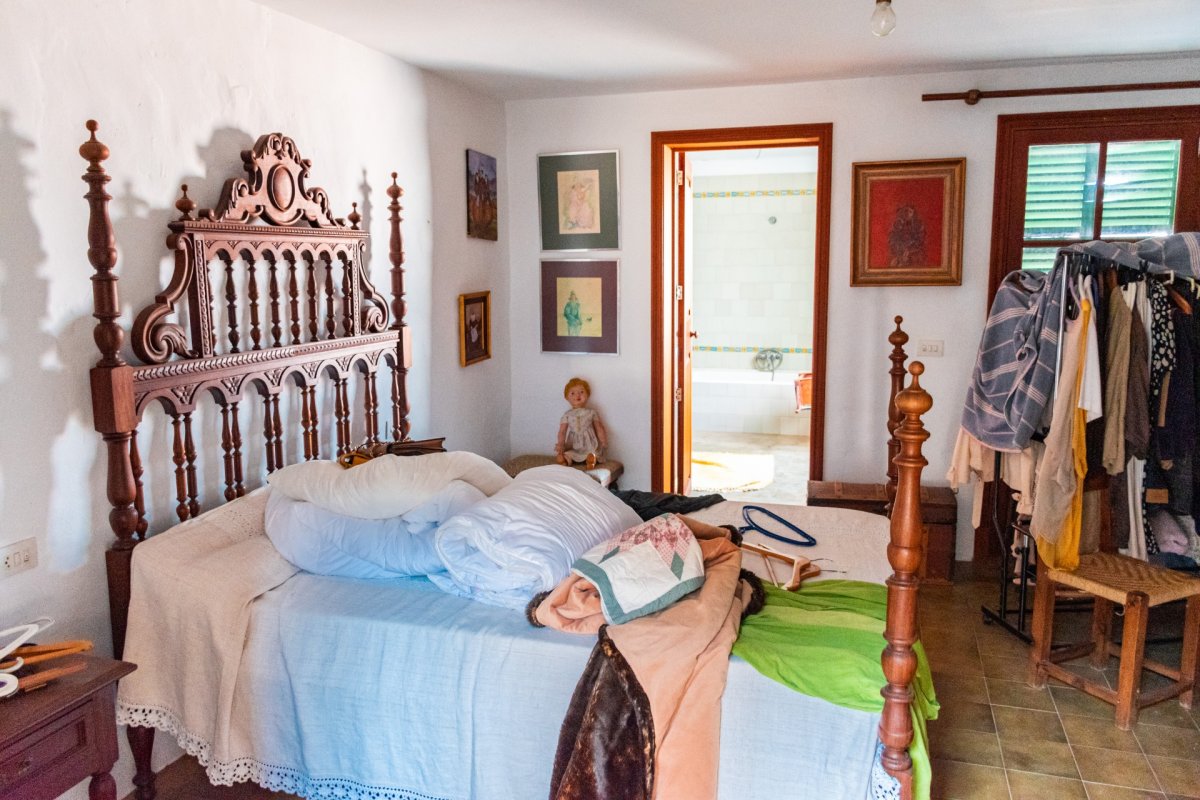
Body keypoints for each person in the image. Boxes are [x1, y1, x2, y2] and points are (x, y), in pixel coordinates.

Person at [555, 377, 607, 469]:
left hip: (589, 445)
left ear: (588, 394)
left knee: (593, 452)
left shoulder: (591, 413)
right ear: (566, 397)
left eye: (581, 392)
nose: (577, 395)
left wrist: (603, 441)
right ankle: (565, 460)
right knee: (568, 454)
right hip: (573, 446)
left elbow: (599, 427)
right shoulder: (567, 415)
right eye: (572, 393)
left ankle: (591, 460)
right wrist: (560, 444)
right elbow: (562, 431)